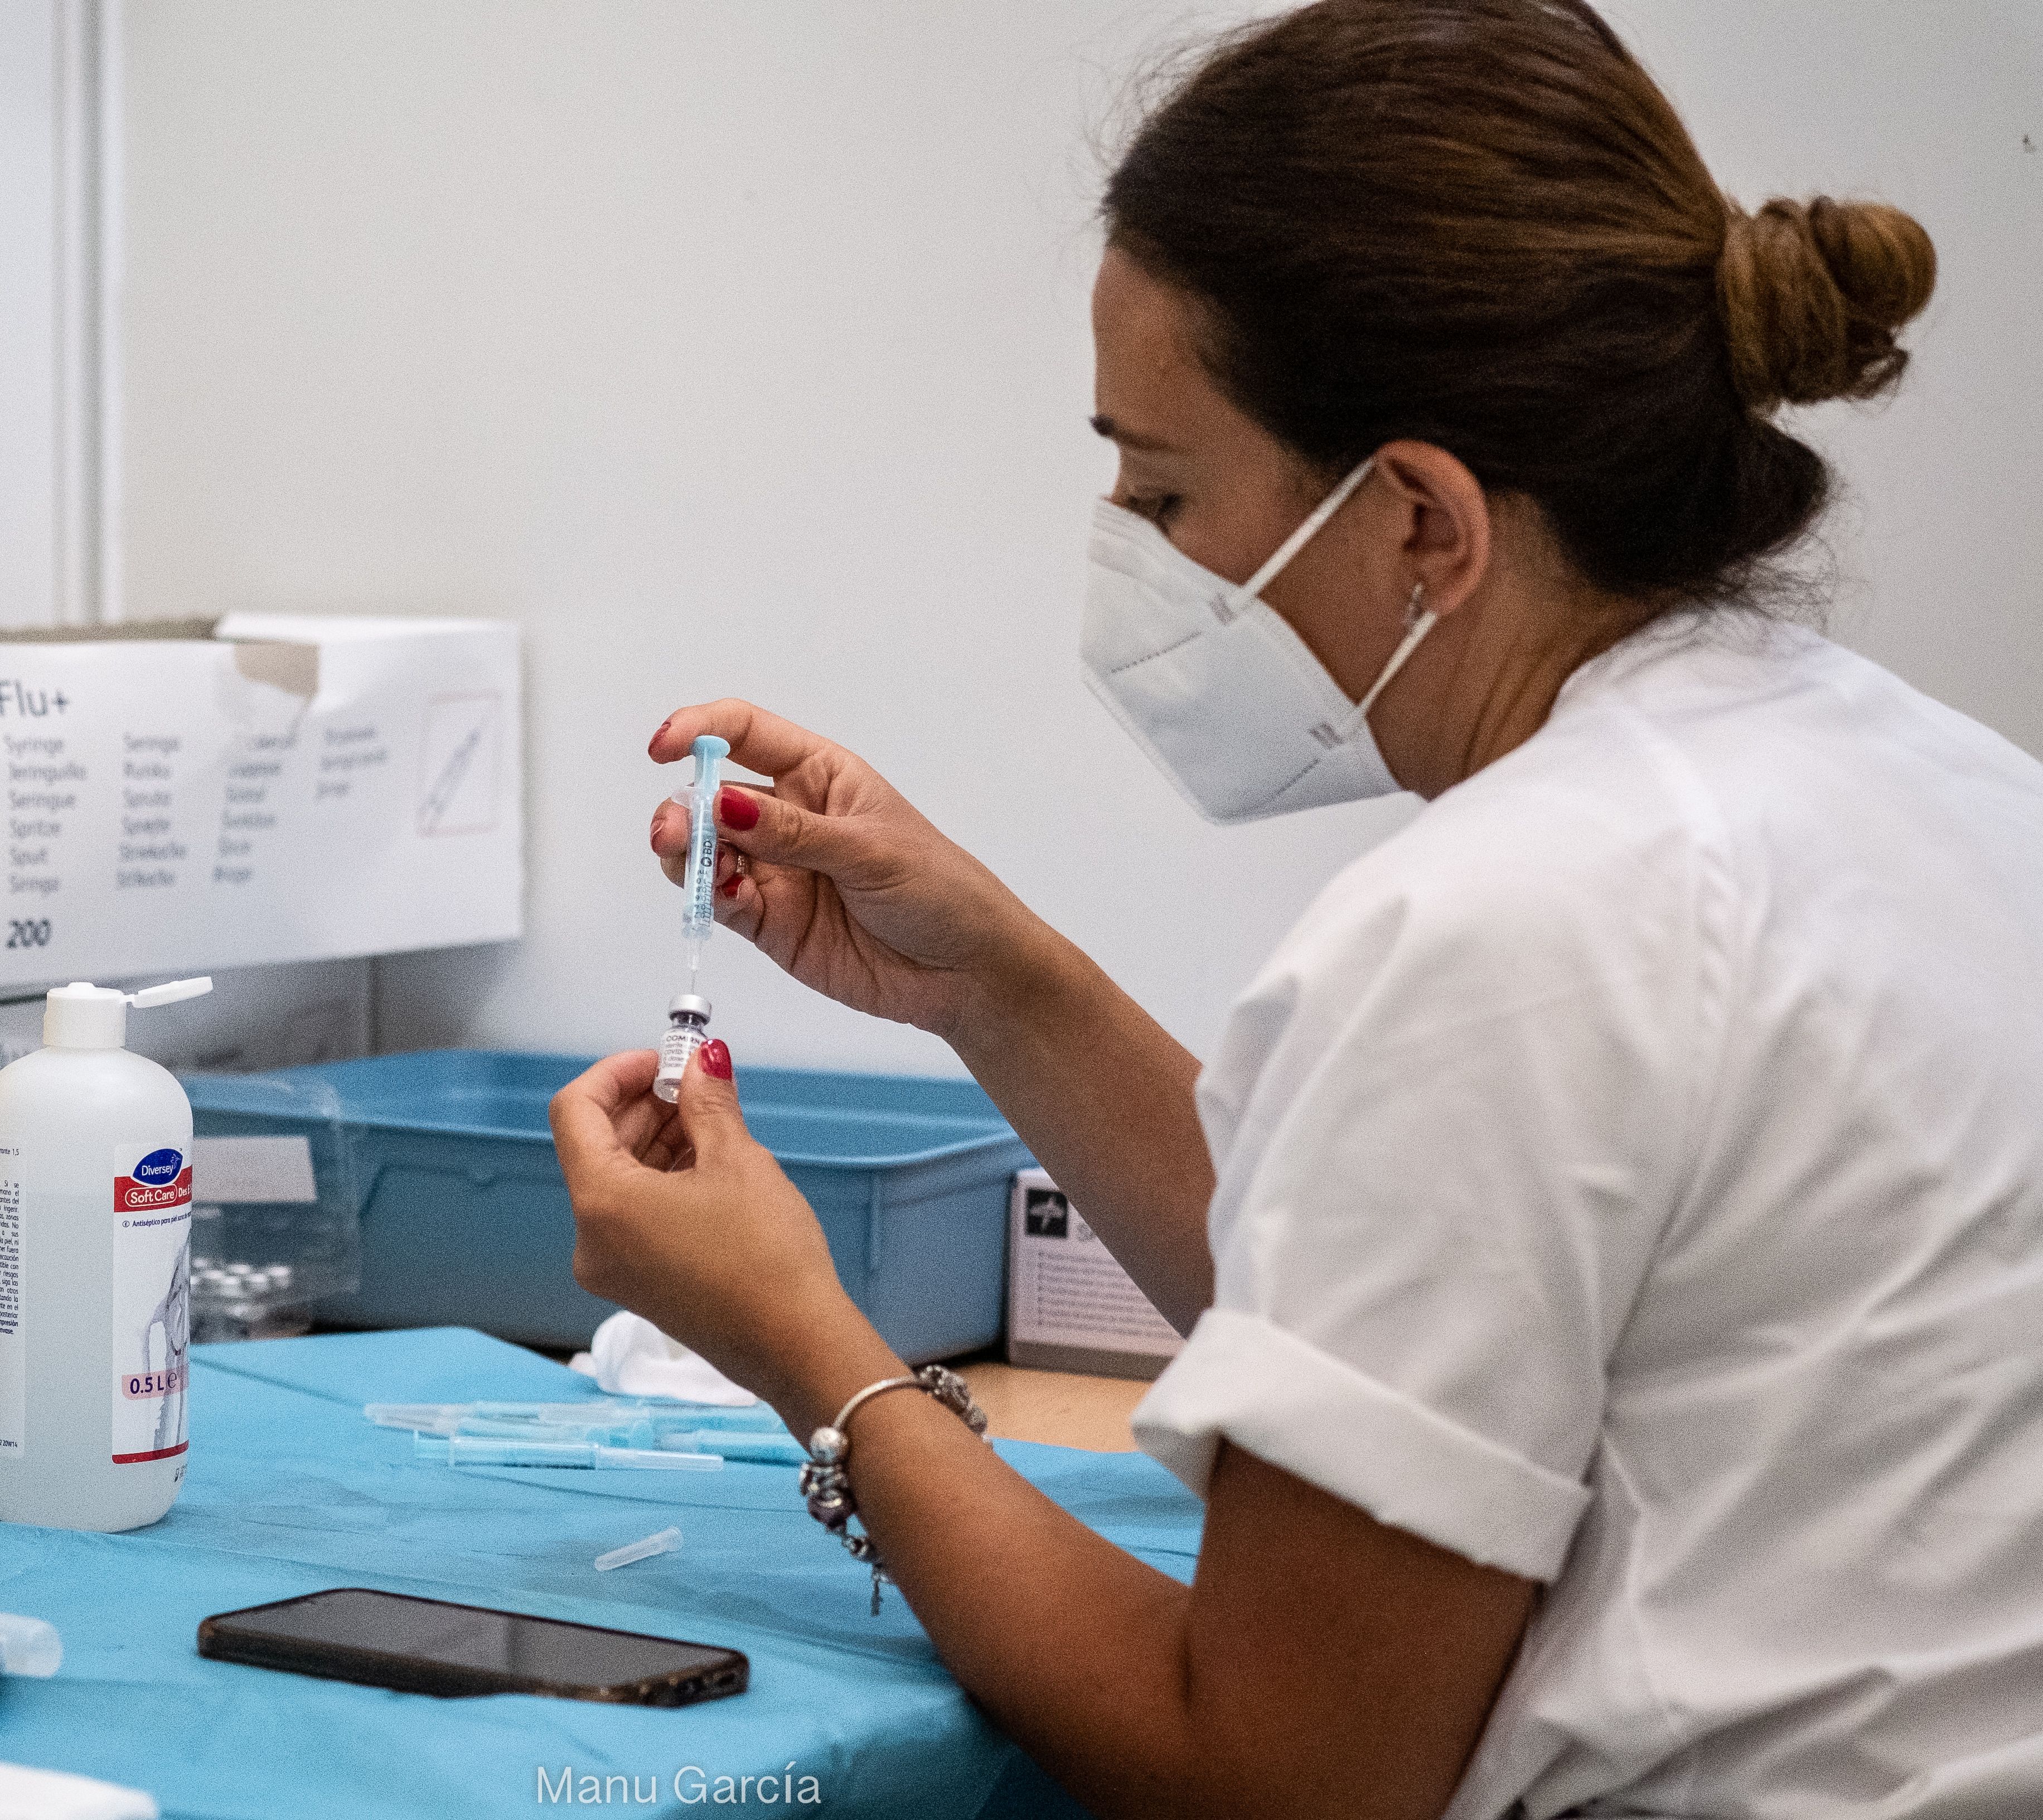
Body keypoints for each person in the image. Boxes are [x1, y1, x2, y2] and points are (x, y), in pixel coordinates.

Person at [546, 2, 2043, 1815]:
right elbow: (1417, 1303)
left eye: (1164, 487)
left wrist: (811, 1353)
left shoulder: (1508, 921)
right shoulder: (1937, 787)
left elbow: (1271, 1777)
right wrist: (994, 981)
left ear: (1422, 517)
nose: (1133, 550)